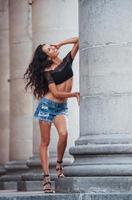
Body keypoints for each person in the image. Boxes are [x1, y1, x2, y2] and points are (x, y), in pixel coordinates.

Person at [23, 37, 79, 193]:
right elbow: (55, 93)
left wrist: (61, 43)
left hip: (61, 107)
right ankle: (46, 178)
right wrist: (74, 94)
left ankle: (59, 164)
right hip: (47, 107)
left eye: (52, 47)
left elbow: (79, 40)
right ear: (47, 57)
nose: (53, 48)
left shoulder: (67, 61)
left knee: (64, 134)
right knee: (45, 142)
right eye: (49, 49)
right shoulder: (48, 71)